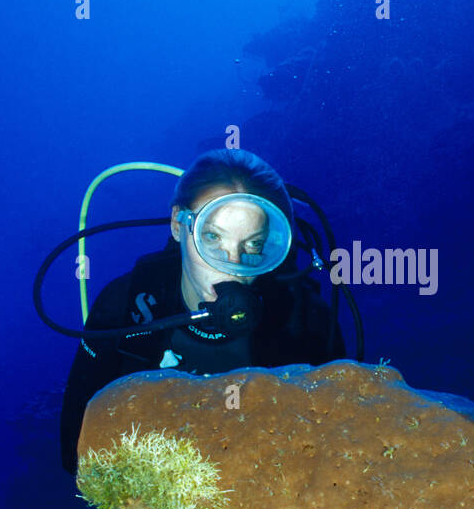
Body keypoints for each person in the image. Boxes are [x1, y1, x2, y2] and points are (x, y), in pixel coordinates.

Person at [59, 149, 345, 475]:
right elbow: (75, 452)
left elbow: (337, 454)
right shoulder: (123, 305)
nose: (230, 267)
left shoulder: (305, 323)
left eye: (253, 245)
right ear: (179, 226)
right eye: (212, 237)